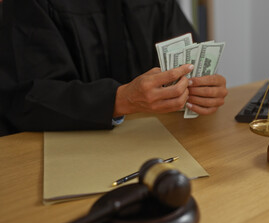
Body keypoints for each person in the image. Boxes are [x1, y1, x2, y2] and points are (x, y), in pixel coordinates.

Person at [0, 0, 227, 136]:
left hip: (152, 141)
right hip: (63, 152)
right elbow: (25, 97)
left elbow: (189, 61)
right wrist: (118, 100)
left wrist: (203, 89)